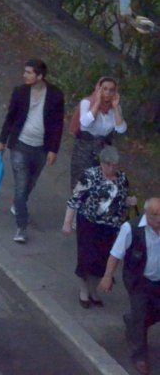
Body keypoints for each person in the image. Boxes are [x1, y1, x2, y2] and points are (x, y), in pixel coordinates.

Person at [0, 58, 64, 244]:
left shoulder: (55, 95)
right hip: (20, 144)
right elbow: (10, 117)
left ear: (39, 76)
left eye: (29, 72)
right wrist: (2, 140)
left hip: (41, 147)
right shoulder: (20, 92)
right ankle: (21, 227)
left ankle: (18, 204)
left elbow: (57, 124)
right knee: (21, 184)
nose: (24, 75)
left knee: (30, 183)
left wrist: (53, 149)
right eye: (25, 72)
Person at [65, 146, 131, 309]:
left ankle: (93, 290)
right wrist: (68, 222)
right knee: (86, 258)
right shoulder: (90, 175)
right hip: (89, 223)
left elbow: (122, 202)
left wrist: (128, 203)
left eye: (115, 165)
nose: (112, 168)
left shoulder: (122, 179)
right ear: (102, 163)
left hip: (110, 227)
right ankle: (84, 291)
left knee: (102, 261)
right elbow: (75, 199)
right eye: (109, 164)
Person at [102, 197, 160, 373]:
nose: (159, 219)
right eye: (155, 215)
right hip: (138, 280)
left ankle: (132, 322)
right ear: (146, 213)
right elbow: (116, 253)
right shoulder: (131, 228)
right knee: (140, 314)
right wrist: (108, 276)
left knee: (152, 313)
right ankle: (139, 356)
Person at [71, 75, 126, 189]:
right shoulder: (87, 103)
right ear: (98, 89)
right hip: (84, 147)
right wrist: (97, 103)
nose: (107, 93)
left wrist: (116, 108)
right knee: (80, 180)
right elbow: (85, 123)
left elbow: (121, 129)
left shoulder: (115, 108)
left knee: (98, 182)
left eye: (111, 90)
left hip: (103, 149)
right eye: (104, 89)